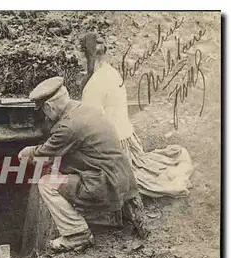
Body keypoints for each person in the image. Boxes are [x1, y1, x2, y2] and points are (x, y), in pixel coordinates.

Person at [18, 76, 142, 253]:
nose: (45, 115)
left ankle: (77, 235)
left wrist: (26, 152)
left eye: (44, 110)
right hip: (122, 178)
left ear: (49, 106)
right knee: (61, 170)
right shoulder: (86, 109)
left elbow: (42, 153)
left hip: (105, 184)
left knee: (46, 183)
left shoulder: (68, 126)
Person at [79, 33, 194, 198]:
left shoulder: (94, 85)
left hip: (112, 145)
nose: (79, 60)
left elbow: (91, 125)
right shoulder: (111, 72)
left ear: (85, 54)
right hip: (126, 137)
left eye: (80, 55)